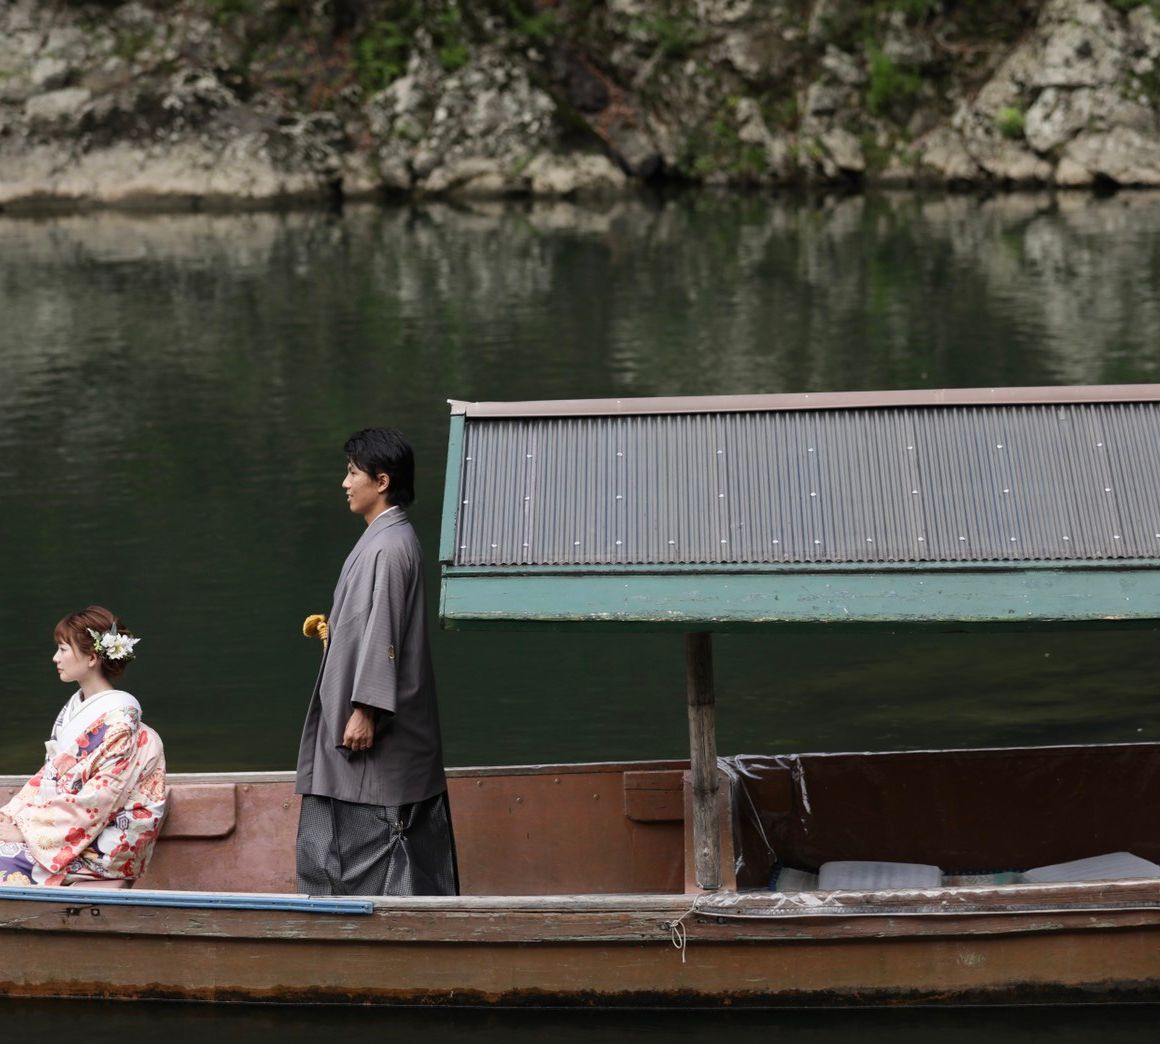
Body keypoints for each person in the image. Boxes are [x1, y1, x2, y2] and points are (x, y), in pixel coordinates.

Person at [295, 428, 458, 896]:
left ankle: (374, 921)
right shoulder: (385, 538)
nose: (345, 483)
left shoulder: (389, 545)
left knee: (381, 829)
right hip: (363, 708)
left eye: (353, 473)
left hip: (374, 720)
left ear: (382, 481)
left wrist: (366, 709)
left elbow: (384, 628)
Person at [0, 606, 167, 887]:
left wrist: (26, 832)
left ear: (91, 658)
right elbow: (49, 776)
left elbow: (97, 800)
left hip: (103, 844)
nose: (55, 658)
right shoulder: (78, 708)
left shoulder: (120, 723)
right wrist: (11, 815)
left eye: (63, 649)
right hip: (72, 831)